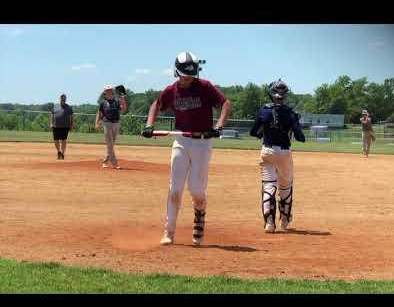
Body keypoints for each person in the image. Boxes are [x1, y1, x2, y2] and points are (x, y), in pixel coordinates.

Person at [142, 51, 231, 246]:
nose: (188, 77)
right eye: (185, 74)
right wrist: (149, 124)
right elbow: (156, 105)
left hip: (202, 142)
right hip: (181, 141)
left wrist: (219, 126)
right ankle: (169, 232)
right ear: (177, 72)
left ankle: (199, 215)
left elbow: (225, 103)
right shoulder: (171, 91)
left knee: (196, 190)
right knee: (175, 189)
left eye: (191, 74)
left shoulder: (205, 87)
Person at [249, 79, 305, 234]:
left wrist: (265, 131)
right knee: (285, 187)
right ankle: (285, 221)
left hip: (267, 151)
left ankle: (269, 223)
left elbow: (253, 132)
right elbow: (301, 138)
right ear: (285, 95)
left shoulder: (263, 110)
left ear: (271, 94)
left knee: (268, 186)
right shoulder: (290, 113)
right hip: (284, 152)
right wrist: (296, 123)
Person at [95, 84, 128, 169]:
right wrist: (97, 122)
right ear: (105, 92)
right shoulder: (103, 102)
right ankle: (115, 163)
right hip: (106, 123)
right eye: (107, 90)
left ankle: (105, 161)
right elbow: (99, 113)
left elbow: (124, 109)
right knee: (110, 144)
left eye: (110, 90)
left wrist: (123, 98)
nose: (109, 91)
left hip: (116, 123)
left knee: (111, 144)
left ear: (112, 91)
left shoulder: (117, 101)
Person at [50, 93, 74, 160]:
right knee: (56, 140)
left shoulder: (69, 107)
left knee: (64, 140)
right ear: (59, 98)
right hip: (56, 126)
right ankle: (58, 152)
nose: (63, 99)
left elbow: (72, 117)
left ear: (65, 99)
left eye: (64, 98)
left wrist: (71, 125)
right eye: (62, 98)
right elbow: (52, 115)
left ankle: (63, 154)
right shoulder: (55, 106)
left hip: (65, 126)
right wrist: (51, 123)